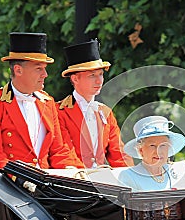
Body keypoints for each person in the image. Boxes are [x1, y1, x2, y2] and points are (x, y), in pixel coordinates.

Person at [0, 32, 84, 191]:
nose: (45, 75)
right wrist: (23, 178)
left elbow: (60, 150)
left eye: (44, 69)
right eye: (39, 69)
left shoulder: (48, 103)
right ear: (18, 70)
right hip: (5, 184)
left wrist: (72, 172)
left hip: (44, 186)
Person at [57, 40, 133, 169]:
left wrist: (131, 176)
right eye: (92, 75)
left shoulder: (106, 112)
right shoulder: (59, 111)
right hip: (73, 180)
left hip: (101, 181)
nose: (99, 81)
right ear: (75, 79)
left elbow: (119, 154)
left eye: (101, 74)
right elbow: (64, 153)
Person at [118, 116, 185, 192]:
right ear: (141, 150)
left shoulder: (175, 172)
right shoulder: (129, 176)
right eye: (152, 145)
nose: (158, 152)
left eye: (163, 145)